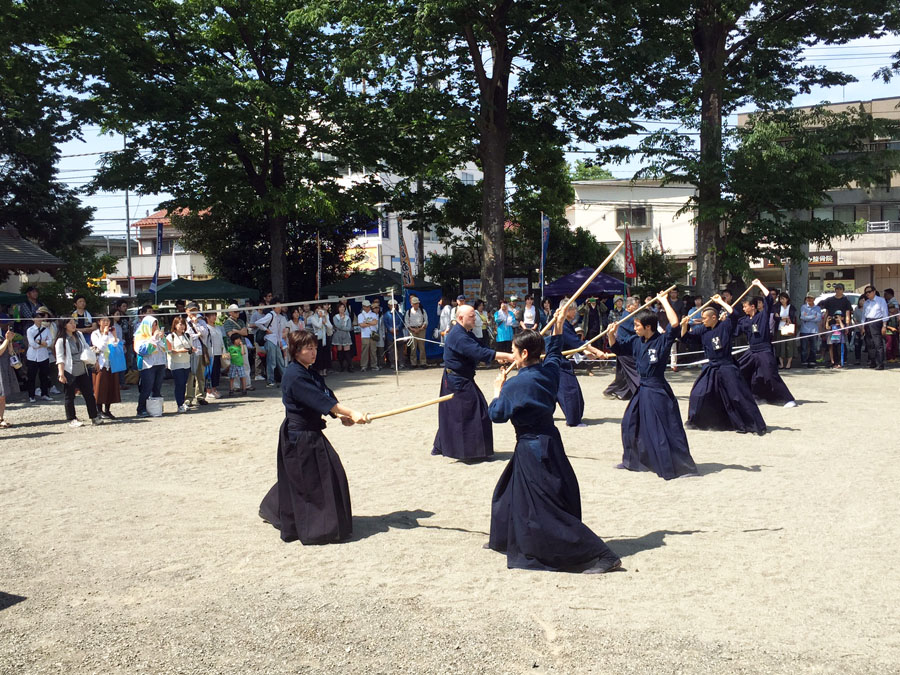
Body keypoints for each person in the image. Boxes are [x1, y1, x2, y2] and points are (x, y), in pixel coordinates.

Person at [486, 308, 621, 573]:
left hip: (532, 446)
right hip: (549, 440)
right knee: (507, 492)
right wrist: (557, 326)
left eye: (514, 351)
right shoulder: (549, 372)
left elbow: (496, 415)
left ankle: (602, 555)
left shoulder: (516, 385)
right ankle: (503, 539)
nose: (511, 356)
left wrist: (497, 389)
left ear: (524, 354)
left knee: (545, 506)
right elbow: (556, 354)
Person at [258, 330, 369, 544]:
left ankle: (274, 508)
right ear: (296, 351)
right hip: (300, 436)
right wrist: (351, 412)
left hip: (310, 432)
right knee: (309, 479)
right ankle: (318, 527)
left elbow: (325, 396)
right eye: (308, 348)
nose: (313, 352)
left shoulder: (309, 372)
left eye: (315, 347)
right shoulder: (294, 375)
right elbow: (316, 398)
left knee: (311, 476)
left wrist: (341, 416)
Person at [607, 294, 697, 479]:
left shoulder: (662, 340)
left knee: (665, 429)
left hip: (657, 389)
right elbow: (617, 348)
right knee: (630, 424)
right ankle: (634, 460)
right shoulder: (635, 341)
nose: (635, 328)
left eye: (637, 326)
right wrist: (610, 334)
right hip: (642, 389)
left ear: (648, 327)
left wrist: (663, 300)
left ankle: (682, 467)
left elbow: (675, 324)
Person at [432, 304, 514, 460]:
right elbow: (478, 352)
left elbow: (480, 347)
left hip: (461, 377)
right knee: (475, 411)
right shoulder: (458, 335)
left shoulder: (466, 332)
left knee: (451, 412)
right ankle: (471, 452)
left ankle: (441, 445)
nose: (475, 318)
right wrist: (509, 356)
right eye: (472, 316)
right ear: (461, 318)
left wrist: (498, 357)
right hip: (457, 380)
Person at [680, 298, 766, 435]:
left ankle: (751, 423)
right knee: (698, 393)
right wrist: (684, 325)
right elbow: (685, 338)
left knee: (737, 396)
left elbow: (734, 315)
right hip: (711, 366)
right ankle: (698, 421)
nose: (703, 320)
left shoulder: (725, 326)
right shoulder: (703, 329)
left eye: (704, 318)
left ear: (714, 317)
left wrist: (720, 301)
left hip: (726, 365)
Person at [733, 281, 797, 407]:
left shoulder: (763, 315)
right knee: (740, 371)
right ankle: (752, 396)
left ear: (753, 306)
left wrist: (759, 284)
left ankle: (788, 399)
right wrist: (724, 319)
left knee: (770, 375)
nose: (744, 308)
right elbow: (734, 331)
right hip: (752, 351)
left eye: (745, 306)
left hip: (764, 350)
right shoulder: (744, 321)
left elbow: (769, 298)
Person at [555, 303, 607, 426]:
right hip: (557, 362)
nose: (575, 312)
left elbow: (575, 343)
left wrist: (586, 352)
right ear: (566, 311)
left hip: (558, 360)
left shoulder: (567, 324)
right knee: (570, 390)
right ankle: (573, 421)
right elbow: (577, 342)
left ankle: (541, 416)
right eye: (573, 309)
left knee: (551, 392)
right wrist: (596, 351)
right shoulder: (561, 324)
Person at [55, 318, 103, 427]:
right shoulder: (61, 340)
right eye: (70, 323)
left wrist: (94, 361)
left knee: (89, 394)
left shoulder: (79, 335)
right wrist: (61, 373)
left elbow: (86, 348)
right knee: (69, 396)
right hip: (69, 370)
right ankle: (72, 419)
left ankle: (94, 416)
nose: (73, 325)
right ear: (64, 325)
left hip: (82, 368)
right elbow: (60, 358)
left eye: (74, 322)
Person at [603, 296, 641, 400]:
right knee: (635, 371)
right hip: (624, 350)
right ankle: (640, 390)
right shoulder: (627, 317)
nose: (637, 308)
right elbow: (637, 330)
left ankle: (614, 391)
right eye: (635, 306)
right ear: (629, 306)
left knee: (622, 375)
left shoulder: (629, 316)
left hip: (626, 349)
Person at [134, 315, 168, 418]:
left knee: (157, 388)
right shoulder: (140, 337)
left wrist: (162, 339)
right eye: (152, 326)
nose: (154, 328)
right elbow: (144, 351)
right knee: (147, 388)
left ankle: (156, 408)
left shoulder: (160, 336)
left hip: (160, 364)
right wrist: (153, 339)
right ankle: (141, 409)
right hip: (148, 365)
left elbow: (166, 348)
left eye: (155, 325)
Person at [91, 316, 122, 419]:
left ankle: (107, 410)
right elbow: (99, 347)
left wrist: (114, 336)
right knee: (99, 387)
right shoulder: (95, 334)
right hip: (100, 363)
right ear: (99, 322)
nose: (106, 322)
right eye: (103, 320)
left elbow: (116, 346)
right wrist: (104, 334)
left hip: (111, 362)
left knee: (111, 386)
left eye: (108, 320)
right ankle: (99, 410)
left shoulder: (111, 332)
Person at [25, 306, 54, 403]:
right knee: (32, 376)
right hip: (32, 357)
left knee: (44, 376)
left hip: (44, 356)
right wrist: (43, 344)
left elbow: (50, 341)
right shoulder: (30, 330)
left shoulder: (45, 329)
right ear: (33, 319)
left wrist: (41, 343)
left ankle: (45, 393)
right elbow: (32, 344)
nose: (39, 319)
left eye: (41, 316)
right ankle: (31, 395)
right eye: (37, 317)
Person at [184, 303, 211, 405]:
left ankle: (200, 396)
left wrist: (196, 324)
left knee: (200, 375)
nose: (193, 313)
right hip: (190, 351)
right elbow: (188, 335)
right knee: (190, 375)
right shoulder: (184, 322)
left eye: (195, 310)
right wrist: (197, 334)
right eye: (191, 310)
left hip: (200, 351)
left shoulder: (201, 321)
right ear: (187, 311)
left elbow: (205, 333)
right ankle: (188, 397)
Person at [166, 316, 193, 412]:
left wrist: (192, 349)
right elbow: (168, 350)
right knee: (179, 384)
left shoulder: (187, 335)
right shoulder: (170, 336)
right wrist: (178, 351)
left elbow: (190, 346)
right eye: (180, 324)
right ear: (175, 325)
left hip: (186, 363)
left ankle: (182, 403)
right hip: (176, 364)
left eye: (183, 324)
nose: (182, 327)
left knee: (184, 384)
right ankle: (179, 404)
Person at [862, 285, 888, 370]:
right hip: (867, 322)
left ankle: (880, 363)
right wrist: (862, 326)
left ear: (874, 291)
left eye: (869, 292)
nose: (868, 294)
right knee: (869, 344)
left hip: (877, 322)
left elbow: (885, 313)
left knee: (878, 344)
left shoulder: (881, 300)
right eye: (866, 293)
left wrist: (884, 326)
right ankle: (872, 362)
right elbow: (863, 315)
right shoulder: (866, 303)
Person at [0, 326, 19, 428]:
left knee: (2, 396)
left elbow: (10, 352)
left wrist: (10, 341)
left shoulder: (3, 335)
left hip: (4, 366)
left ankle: (1, 418)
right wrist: (7, 340)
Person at [773, 292, 798, 369]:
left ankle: (789, 363)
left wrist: (784, 318)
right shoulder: (777, 307)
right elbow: (776, 317)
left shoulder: (791, 307)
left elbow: (792, 317)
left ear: (787, 299)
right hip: (780, 328)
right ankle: (781, 363)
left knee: (789, 346)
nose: (782, 300)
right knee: (780, 346)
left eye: (783, 298)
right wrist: (782, 318)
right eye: (780, 299)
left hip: (788, 328)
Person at [306, 305, 332, 376]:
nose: (319, 310)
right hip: (317, 337)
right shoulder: (312, 318)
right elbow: (318, 325)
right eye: (317, 309)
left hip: (325, 336)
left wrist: (325, 321)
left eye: (320, 308)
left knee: (325, 353)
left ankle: (325, 369)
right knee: (319, 353)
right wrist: (320, 318)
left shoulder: (325, 316)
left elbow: (330, 326)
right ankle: (319, 369)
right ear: (315, 310)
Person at [798, 293, 823, 367]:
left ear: (814, 299)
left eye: (811, 298)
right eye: (808, 298)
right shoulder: (803, 307)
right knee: (804, 347)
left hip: (814, 331)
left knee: (813, 347)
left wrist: (807, 317)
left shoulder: (817, 308)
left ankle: (812, 360)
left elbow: (818, 318)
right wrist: (813, 316)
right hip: (804, 330)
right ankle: (804, 361)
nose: (809, 299)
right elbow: (802, 317)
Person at [204, 311, 225, 398]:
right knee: (209, 372)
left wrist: (224, 351)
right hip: (210, 353)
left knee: (216, 372)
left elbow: (221, 340)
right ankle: (208, 391)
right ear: (207, 317)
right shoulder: (206, 327)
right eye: (212, 315)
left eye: (215, 315)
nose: (214, 317)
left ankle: (214, 389)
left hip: (218, 352)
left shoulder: (218, 327)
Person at [405, 296, 428, 367]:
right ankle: (413, 363)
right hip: (412, 330)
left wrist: (420, 328)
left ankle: (423, 362)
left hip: (421, 329)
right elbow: (406, 322)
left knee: (422, 347)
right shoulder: (408, 312)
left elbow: (426, 321)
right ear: (411, 304)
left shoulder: (422, 311)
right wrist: (412, 329)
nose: (416, 305)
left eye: (417, 303)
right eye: (415, 304)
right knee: (413, 347)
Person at [383, 298, 406, 369]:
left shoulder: (399, 314)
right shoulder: (386, 315)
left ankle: (401, 363)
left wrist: (397, 328)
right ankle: (392, 363)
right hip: (390, 335)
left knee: (400, 350)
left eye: (394, 305)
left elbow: (401, 323)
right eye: (391, 305)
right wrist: (390, 329)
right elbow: (386, 323)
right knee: (391, 350)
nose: (393, 306)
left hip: (399, 334)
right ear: (389, 306)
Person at [357, 299, 379, 372]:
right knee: (364, 351)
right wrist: (370, 323)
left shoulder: (373, 314)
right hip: (365, 335)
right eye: (366, 306)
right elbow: (361, 325)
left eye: (368, 306)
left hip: (373, 334)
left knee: (373, 350)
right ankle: (363, 365)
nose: (367, 308)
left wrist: (366, 323)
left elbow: (375, 322)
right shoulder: (360, 315)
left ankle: (374, 365)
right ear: (363, 307)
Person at [331, 302, 354, 372]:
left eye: (343, 307)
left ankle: (350, 366)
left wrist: (342, 327)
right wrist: (341, 320)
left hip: (346, 335)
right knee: (340, 351)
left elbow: (349, 328)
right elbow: (337, 325)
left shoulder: (348, 317)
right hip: (338, 335)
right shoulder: (335, 317)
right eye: (340, 307)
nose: (342, 308)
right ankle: (341, 366)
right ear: (338, 308)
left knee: (347, 351)